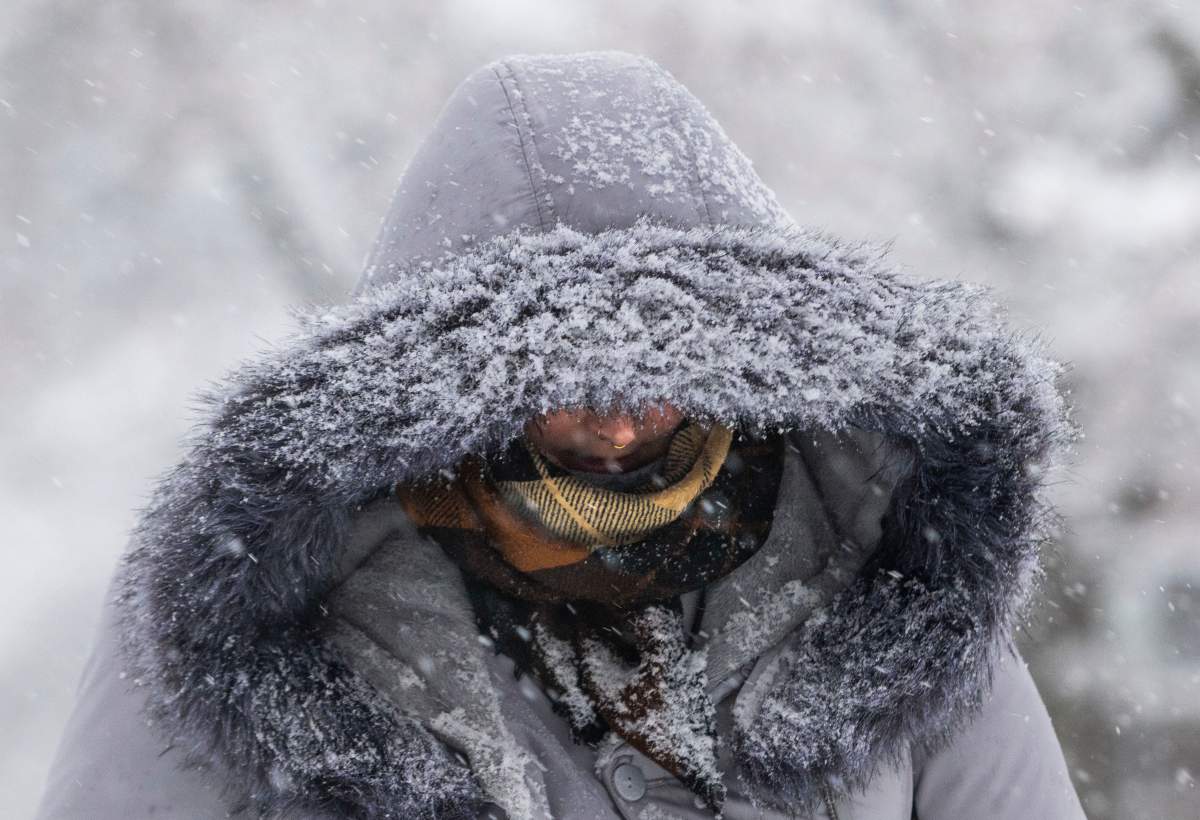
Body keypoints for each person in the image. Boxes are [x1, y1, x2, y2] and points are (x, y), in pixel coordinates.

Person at [35, 51, 1088, 819]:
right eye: (572, 388)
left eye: (662, 382)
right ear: (464, 393)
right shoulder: (245, 608)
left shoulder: (884, 578)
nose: (620, 421)